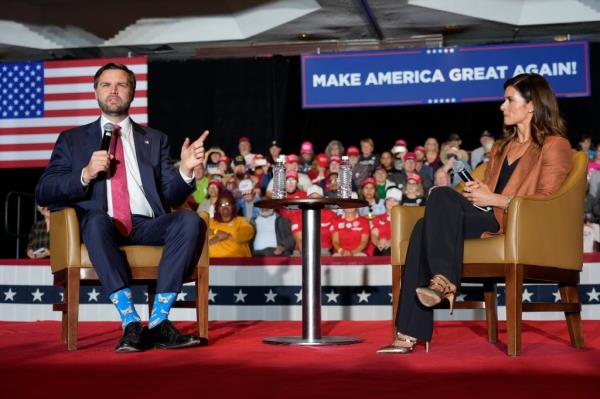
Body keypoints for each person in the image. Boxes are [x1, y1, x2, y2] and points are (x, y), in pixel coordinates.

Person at [378, 73, 573, 354]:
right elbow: (490, 194)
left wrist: (494, 197)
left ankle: (411, 328)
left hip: (521, 224)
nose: (501, 106)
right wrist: (481, 191)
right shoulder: (500, 147)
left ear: (532, 105)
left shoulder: (555, 145)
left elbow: (547, 199)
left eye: (509, 100)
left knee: (423, 227)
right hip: (489, 214)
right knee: (441, 196)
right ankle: (442, 283)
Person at [35, 62, 208, 352]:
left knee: (190, 221)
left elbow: (172, 195)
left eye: (121, 85)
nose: (113, 91)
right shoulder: (72, 139)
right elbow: (44, 191)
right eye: (106, 85)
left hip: (146, 224)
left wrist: (186, 172)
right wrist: (85, 174)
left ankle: (158, 322)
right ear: (96, 92)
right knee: (95, 221)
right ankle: (130, 321)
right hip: (100, 226)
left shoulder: (155, 139)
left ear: (132, 92)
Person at [208, 191, 255, 257]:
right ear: (217, 209)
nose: (225, 207)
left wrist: (227, 236)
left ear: (232, 206)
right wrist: (216, 232)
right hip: (214, 263)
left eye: (228, 204)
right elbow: (203, 237)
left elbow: (248, 233)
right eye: (221, 205)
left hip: (239, 262)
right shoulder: (210, 222)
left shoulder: (241, 221)